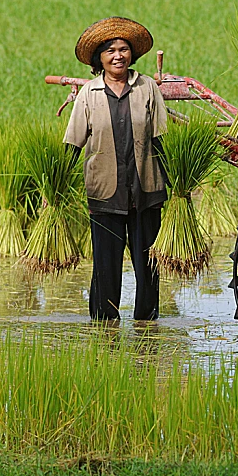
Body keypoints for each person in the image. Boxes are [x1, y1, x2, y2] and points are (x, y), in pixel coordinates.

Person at [63, 17, 167, 320]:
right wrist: (53, 190)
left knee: (148, 267)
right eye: (110, 51)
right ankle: (104, 325)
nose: (117, 56)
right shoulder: (89, 94)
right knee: (105, 268)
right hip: (104, 193)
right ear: (100, 59)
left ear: (131, 54)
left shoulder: (146, 87)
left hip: (145, 191)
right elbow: (72, 143)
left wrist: (179, 185)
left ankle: (146, 325)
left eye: (123, 49)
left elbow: (161, 138)